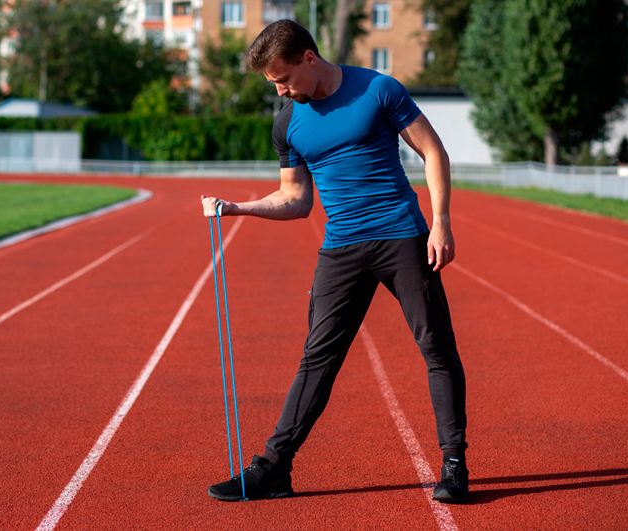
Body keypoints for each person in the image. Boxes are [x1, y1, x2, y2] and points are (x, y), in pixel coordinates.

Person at [200, 19, 468, 504]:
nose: (280, 90)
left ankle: (454, 465)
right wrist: (239, 208)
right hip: (341, 249)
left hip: (402, 236)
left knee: (436, 349)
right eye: (273, 85)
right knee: (317, 359)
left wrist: (441, 222)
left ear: (308, 57)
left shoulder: (379, 89)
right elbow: (295, 199)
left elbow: (433, 151)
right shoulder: (287, 121)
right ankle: (273, 469)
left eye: (283, 79)